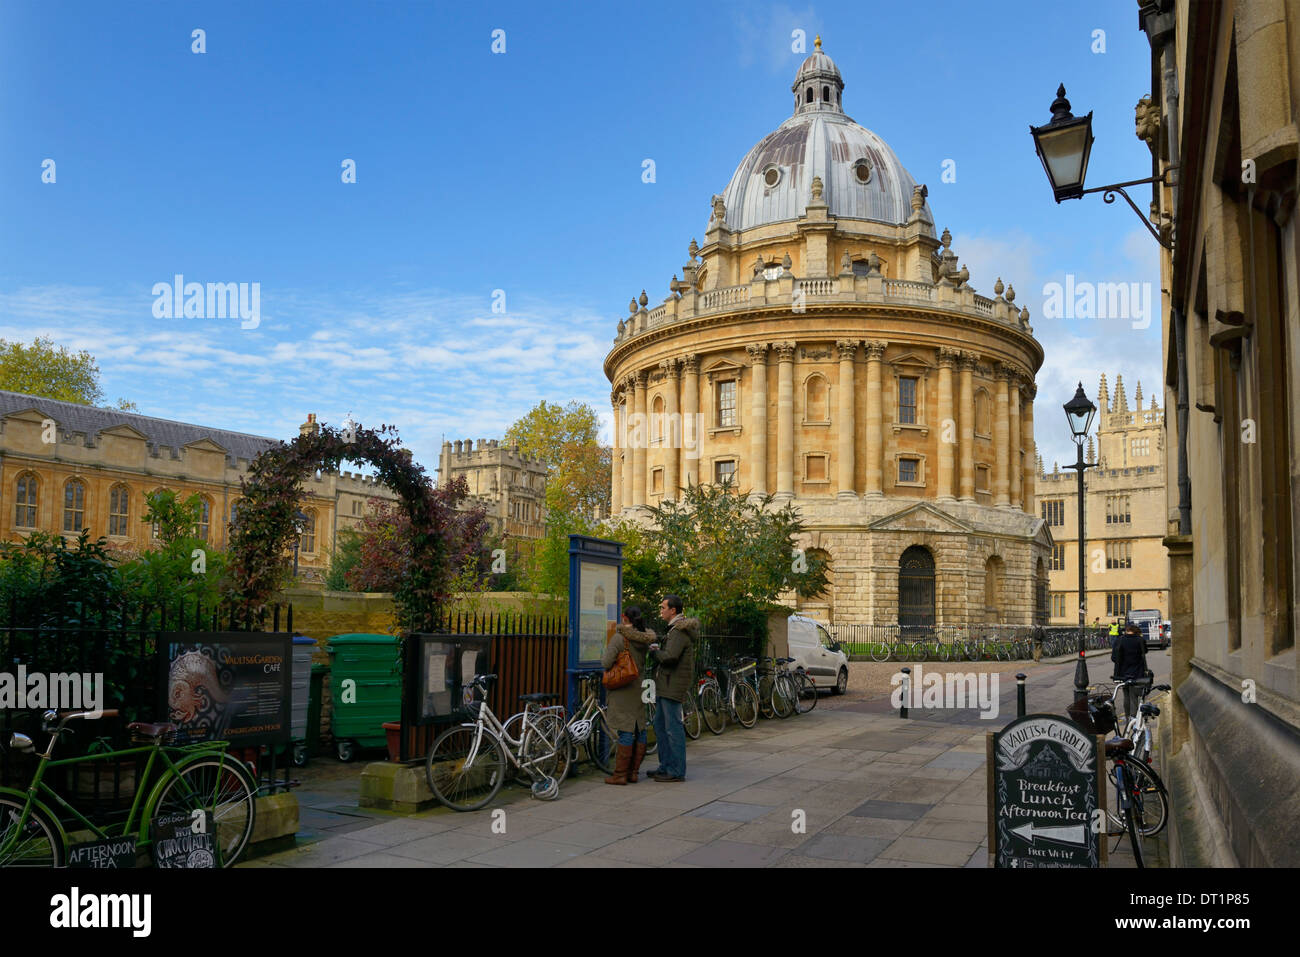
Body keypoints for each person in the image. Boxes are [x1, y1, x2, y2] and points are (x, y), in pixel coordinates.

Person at [601, 606, 655, 785]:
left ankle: (620, 774)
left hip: (623, 689)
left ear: (624, 618)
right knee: (639, 727)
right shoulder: (644, 638)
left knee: (625, 728)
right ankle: (633, 773)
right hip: (639, 686)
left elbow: (606, 662)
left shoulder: (619, 638)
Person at [648, 594, 697, 783]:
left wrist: (654, 652)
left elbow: (670, 657)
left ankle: (676, 770)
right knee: (660, 726)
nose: (660, 611)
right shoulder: (674, 630)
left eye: (663, 607)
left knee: (672, 728)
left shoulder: (678, 631)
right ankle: (665, 766)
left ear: (673, 610)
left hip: (672, 685)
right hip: (665, 684)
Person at [1110, 623, 1150, 725]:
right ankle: (1134, 718)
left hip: (1122, 673)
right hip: (1138, 672)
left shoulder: (1119, 640)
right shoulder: (1140, 640)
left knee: (1126, 695)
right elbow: (1145, 651)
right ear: (1137, 632)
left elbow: (1113, 658)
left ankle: (1128, 718)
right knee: (1134, 696)